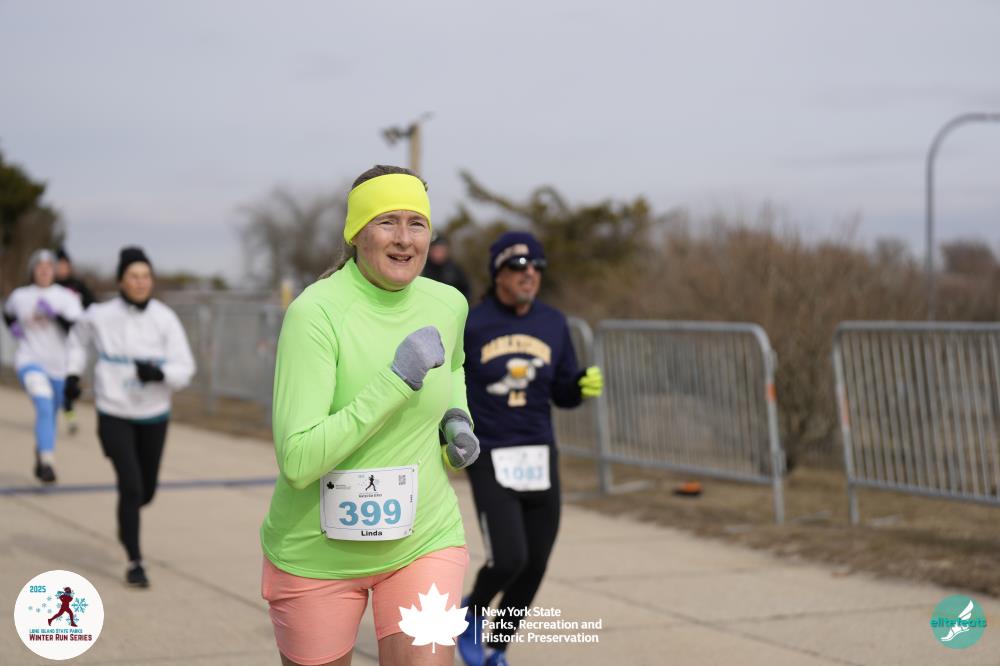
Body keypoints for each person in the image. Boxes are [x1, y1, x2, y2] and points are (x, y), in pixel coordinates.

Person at [260, 164, 481, 666]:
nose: (404, 239)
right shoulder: (316, 313)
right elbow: (298, 460)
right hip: (316, 552)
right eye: (387, 222)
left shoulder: (448, 303)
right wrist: (396, 381)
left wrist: (457, 419)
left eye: (417, 223)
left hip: (424, 538)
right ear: (357, 233)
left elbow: (455, 366)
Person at [457, 232, 603, 666]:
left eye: (537, 266)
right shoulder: (471, 324)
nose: (530, 274)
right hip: (490, 453)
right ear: (498, 274)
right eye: (518, 266)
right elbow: (450, 384)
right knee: (508, 559)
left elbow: (562, 391)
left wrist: (579, 387)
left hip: (540, 453)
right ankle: (471, 614)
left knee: (535, 563)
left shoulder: (553, 323)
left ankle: (497, 649)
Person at [65, 246, 196, 588]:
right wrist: (72, 374)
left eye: (145, 276)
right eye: (133, 276)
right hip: (114, 412)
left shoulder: (165, 318)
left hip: (154, 414)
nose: (140, 282)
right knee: (131, 486)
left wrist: (160, 374)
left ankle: (127, 521)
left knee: (145, 492)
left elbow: (185, 367)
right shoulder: (99, 315)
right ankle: (135, 561)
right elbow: (76, 341)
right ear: (121, 280)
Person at [2, 249, 83, 483]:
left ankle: (41, 452)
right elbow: (7, 314)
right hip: (29, 360)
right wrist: (14, 328)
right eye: (40, 266)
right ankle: (48, 461)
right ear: (33, 270)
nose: (44, 270)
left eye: (49, 266)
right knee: (44, 405)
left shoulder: (66, 297)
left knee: (51, 413)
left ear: (54, 270)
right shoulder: (20, 296)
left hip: (58, 365)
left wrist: (55, 315)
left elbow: (76, 329)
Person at [54, 246, 96, 435]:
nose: (61, 268)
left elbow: (93, 308)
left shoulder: (78, 286)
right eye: (58, 265)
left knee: (68, 382)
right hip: (51, 345)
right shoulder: (49, 288)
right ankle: (51, 413)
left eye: (64, 265)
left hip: (73, 343)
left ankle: (69, 415)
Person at [421, 233, 471, 300]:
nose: (439, 254)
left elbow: (466, 290)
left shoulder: (455, 269)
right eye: (436, 250)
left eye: (441, 251)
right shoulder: (422, 268)